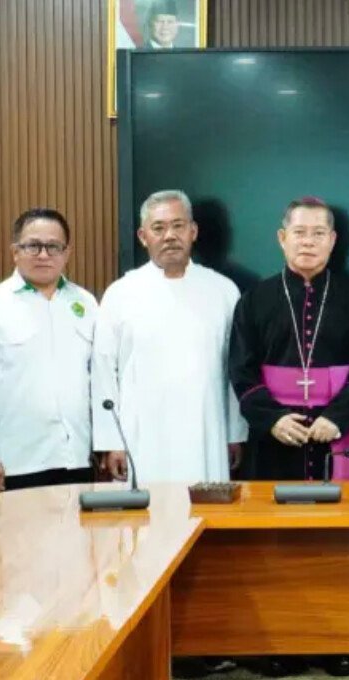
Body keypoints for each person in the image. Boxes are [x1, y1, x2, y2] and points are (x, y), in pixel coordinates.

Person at [229, 196, 349, 678]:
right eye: (300, 232)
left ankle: (334, 643)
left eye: (319, 233)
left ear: (333, 240)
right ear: (282, 238)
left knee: (338, 547)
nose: (309, 241)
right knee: (276, 547)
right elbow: (240, 370)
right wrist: (271, 419)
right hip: (277, 440)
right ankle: (278, 643)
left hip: (339, 434)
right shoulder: (255, 298)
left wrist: (340, 413)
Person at [92, 190, 246, 485]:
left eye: (178, 226)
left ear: (193, 231)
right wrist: (112, 441)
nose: (169, 236)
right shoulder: (121, 293)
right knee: (144, 524)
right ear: (142, 236)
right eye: (158, 228)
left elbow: (234, 371)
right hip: (140, 435)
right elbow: (103, 373)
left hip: (207, 433)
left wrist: (234, 433)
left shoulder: (224, 291)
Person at [0, 208, 98, 494]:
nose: (43, 254)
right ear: (15, 252)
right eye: (32, 246)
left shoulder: (86, 303)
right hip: (18, 463)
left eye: (53, 247)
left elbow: (98, 380)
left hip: (77, 456)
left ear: (67, 253)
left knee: (78, 539)